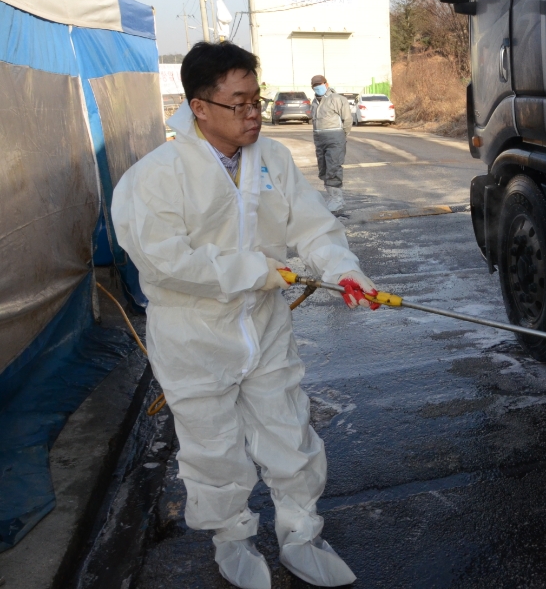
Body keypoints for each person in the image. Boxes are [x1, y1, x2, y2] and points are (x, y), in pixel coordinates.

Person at [112, 41, 379, 589]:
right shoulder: (156, 177)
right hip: (193, 334)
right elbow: (165, 261)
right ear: (199, 108)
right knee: (214, 449)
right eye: (240, 104)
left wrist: (341, 268)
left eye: (256, 100)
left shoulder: (273, 160)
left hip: (263, 324)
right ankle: (231, 539)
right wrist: (256, 270)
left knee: (289, 431)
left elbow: (311, 226)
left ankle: (301, 534)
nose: (254, 113)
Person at [310, 74, 353, 215]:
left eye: (320, 84)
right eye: (315, 86)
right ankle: (332, 197)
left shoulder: (338, 99)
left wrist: (342, 136)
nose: (317, 87)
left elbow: (347, 119)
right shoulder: (314, 102)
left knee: (333, 167)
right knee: (323, 168)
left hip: (335, 138)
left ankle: (337, 199)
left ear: (326, 84)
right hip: (320, 139)